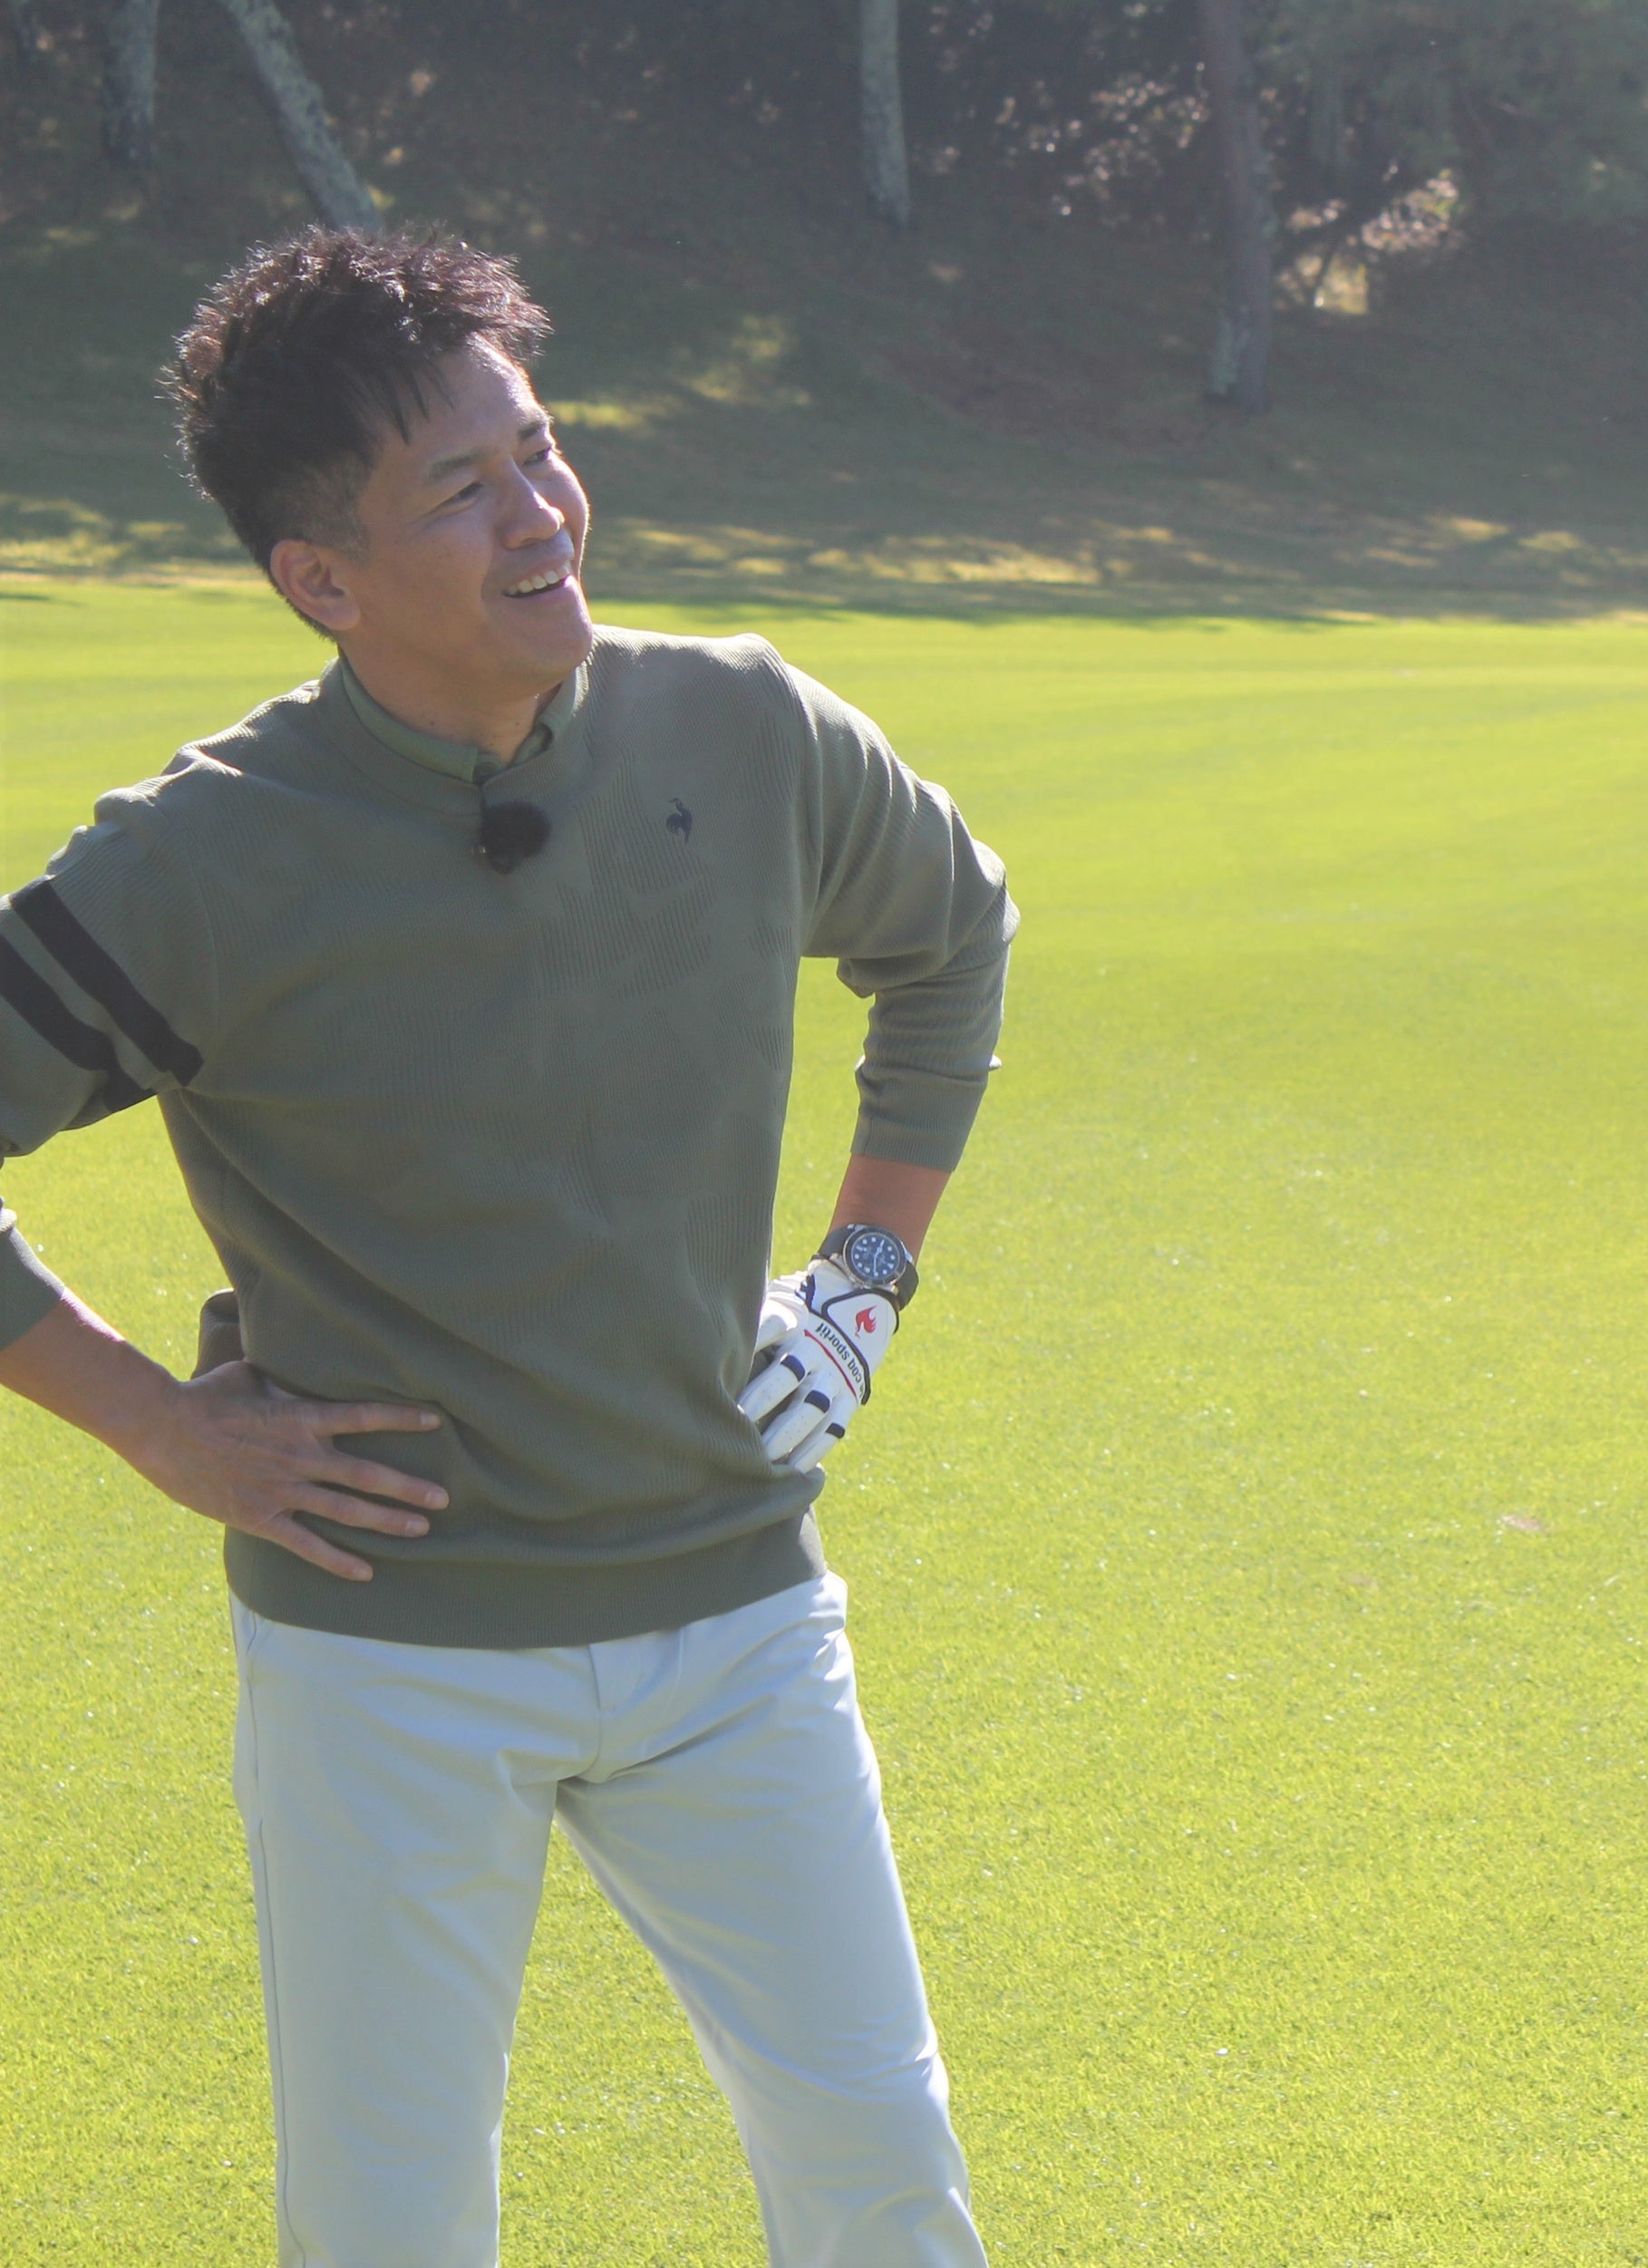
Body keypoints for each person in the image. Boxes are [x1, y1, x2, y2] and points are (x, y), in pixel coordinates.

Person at [0, 228, 1013, 2264]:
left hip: (736, 1616)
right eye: (461, 489)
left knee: (883, 2173)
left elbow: (952, 934)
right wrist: (157, 1426)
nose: (541, 510)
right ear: (323, 579)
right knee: (390, 2228)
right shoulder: (201, 856)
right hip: (386, 1659)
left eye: (538, 448)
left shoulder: (743, 727)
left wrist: (861, 1283)